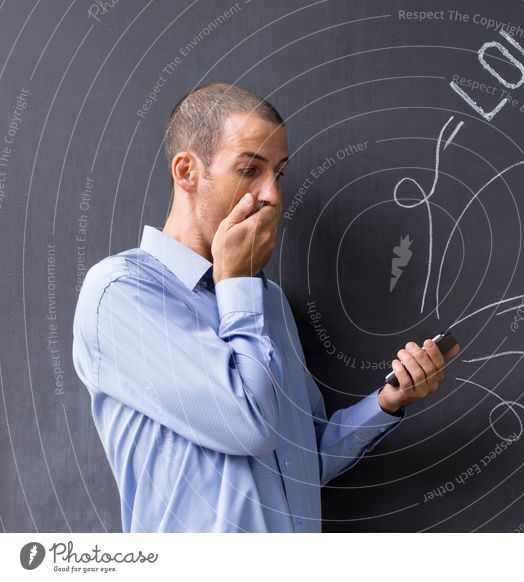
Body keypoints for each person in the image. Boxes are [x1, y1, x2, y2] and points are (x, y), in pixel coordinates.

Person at [72, 82, 460, 532]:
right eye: (249, 169)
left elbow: (300, 462)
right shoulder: (120, 293)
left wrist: (389, 401)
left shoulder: (265, 301)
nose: (272, 195)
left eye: (278, 173)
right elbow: (247, 426)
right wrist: (236, 280)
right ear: (186, 172)